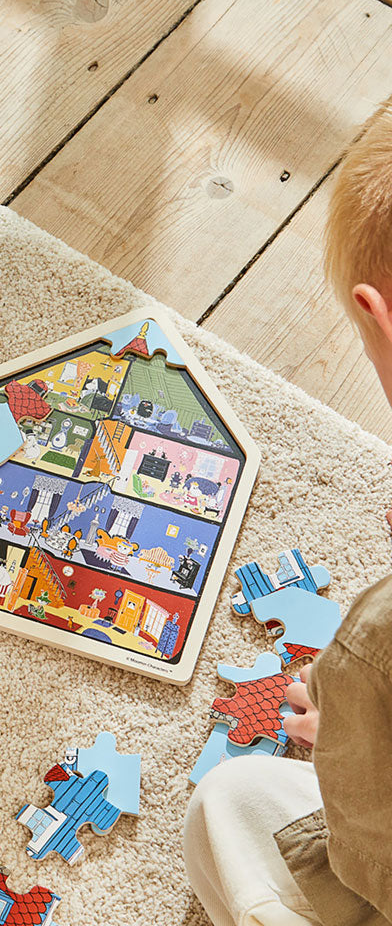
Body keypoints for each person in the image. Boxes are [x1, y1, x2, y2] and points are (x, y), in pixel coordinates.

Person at [183, 113, 392, 925]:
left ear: (379, 317)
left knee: (229, 805)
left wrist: (353, 732)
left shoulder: (373, 648)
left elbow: (374, 861)